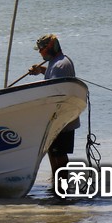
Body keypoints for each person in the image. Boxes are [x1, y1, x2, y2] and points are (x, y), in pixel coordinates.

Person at [28, 33, 80, 184]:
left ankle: (62, 183)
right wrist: (41, 70)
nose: (40, 53)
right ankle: (57, 182)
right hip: (57, 118)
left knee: (59, 153)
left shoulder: (61, 65)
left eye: (41, 49)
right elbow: (53, 77)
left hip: (62, 119)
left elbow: (57, 94)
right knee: (53, 151)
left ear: (50, 47)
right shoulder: (55, 62)